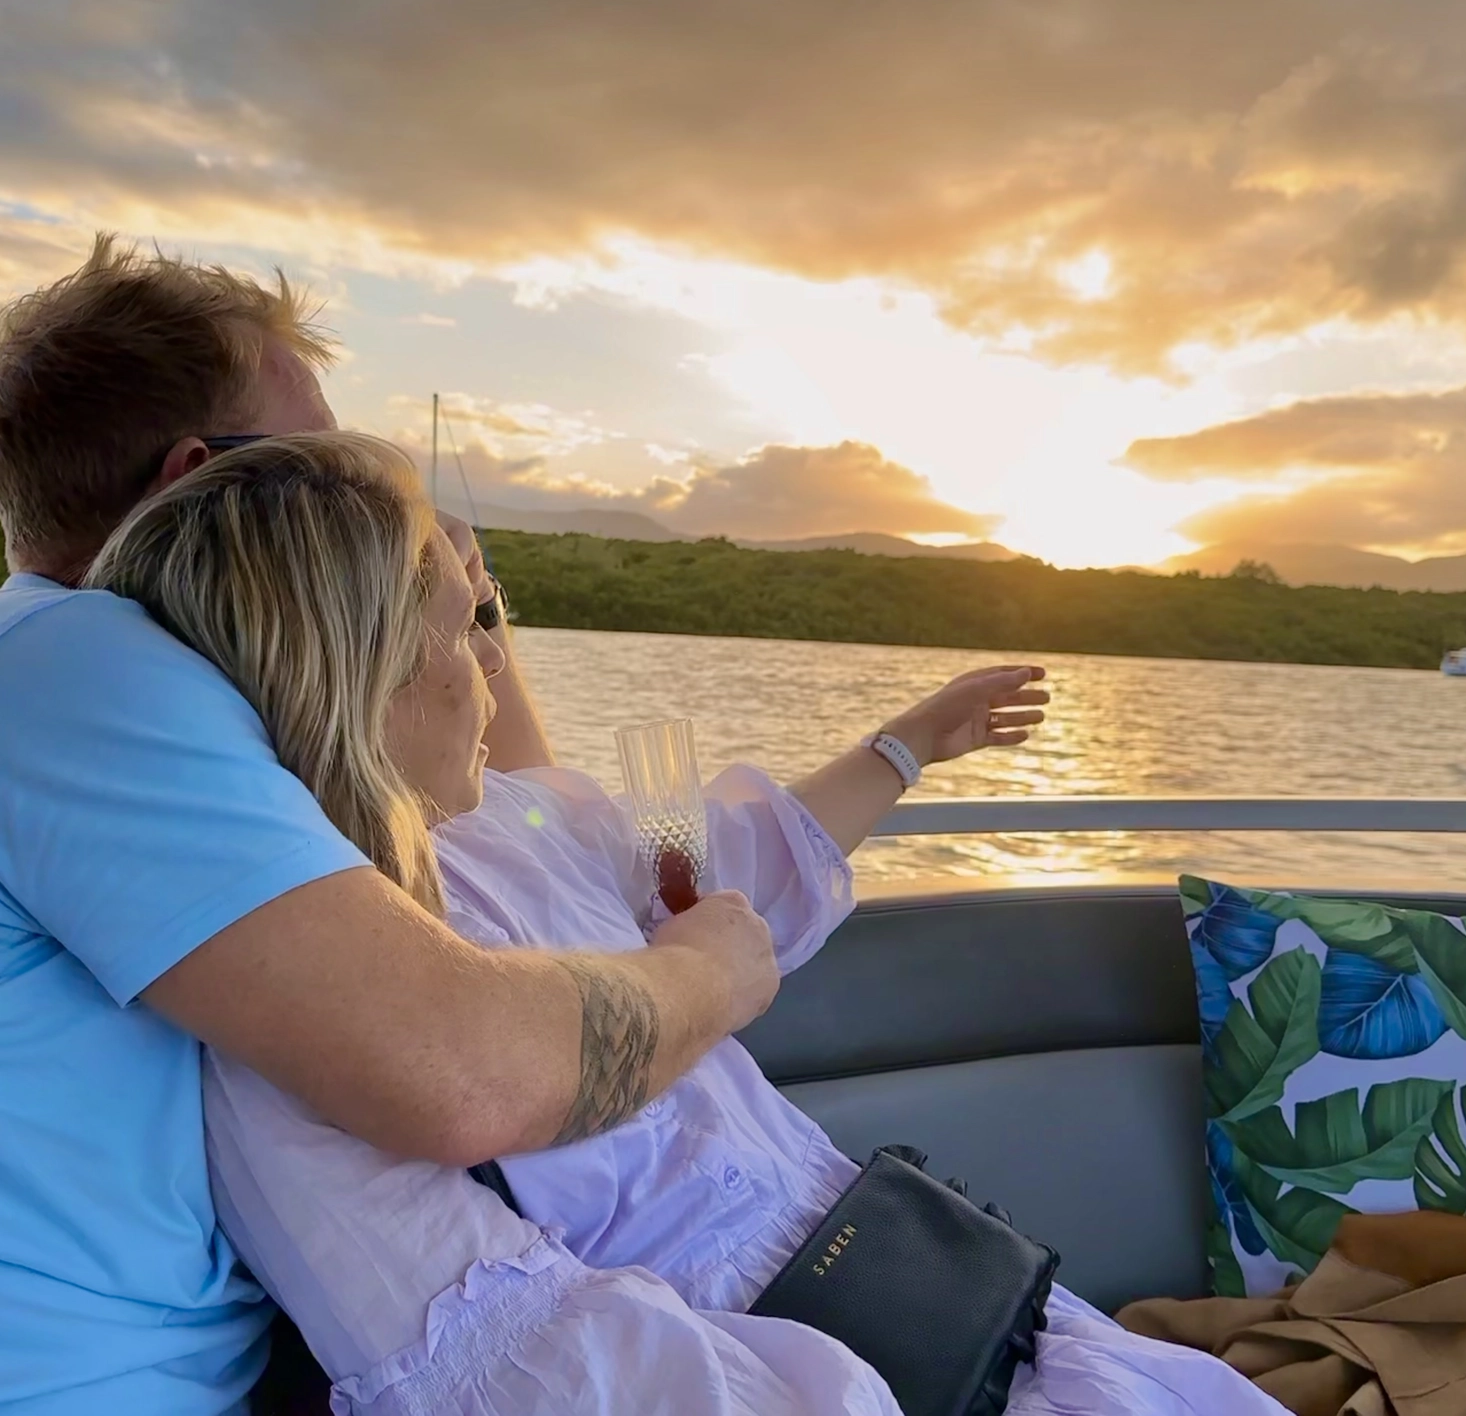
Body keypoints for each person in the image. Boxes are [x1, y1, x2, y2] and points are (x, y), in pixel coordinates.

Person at [89, 430, 1291, 1416]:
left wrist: (907, 744)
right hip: (814, 1364)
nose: (493, 669)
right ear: (366, 658)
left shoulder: (525, 817)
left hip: (948, 1294)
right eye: (471, 622)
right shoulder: (317, 1013)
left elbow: (724, 877)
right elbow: (534, 1376)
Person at [0, 241, 783, 1416]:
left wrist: (459, 595)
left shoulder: (155, 686)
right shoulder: (82, 664)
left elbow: (508, 798)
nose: (351, 489)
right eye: (323, 456)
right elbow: (457, 1072)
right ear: (201, 480)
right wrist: (710, 975)